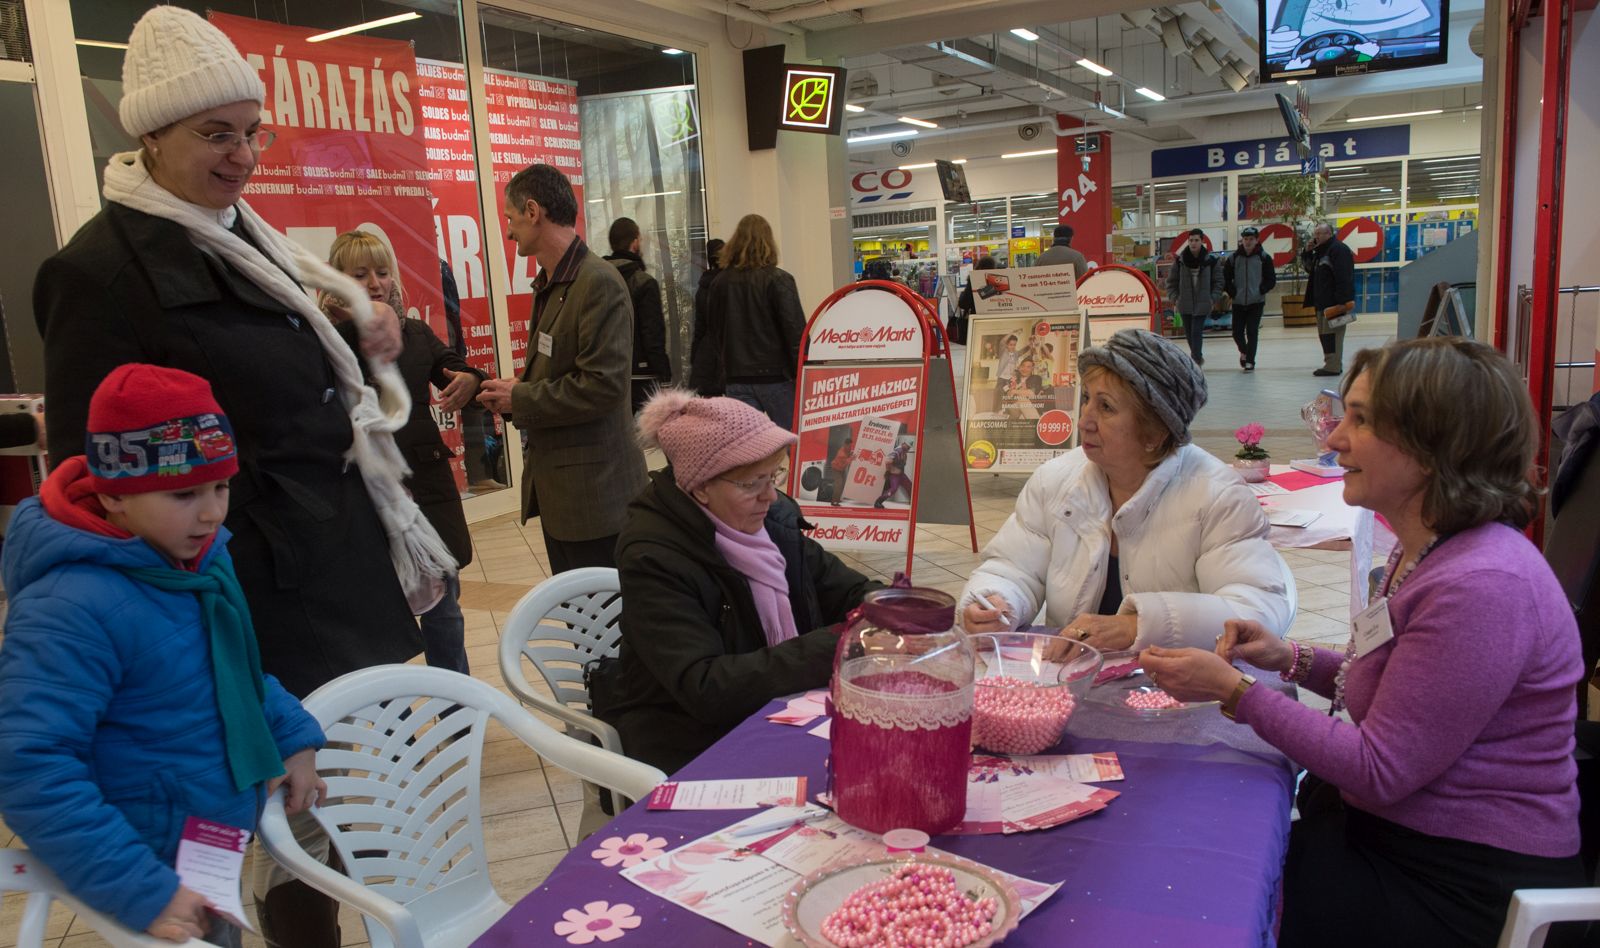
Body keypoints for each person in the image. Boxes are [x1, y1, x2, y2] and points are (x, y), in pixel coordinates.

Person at [30, 12, 449, 942]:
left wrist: (356, 336)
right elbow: (94, 474)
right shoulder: (99, 273)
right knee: (272, 822)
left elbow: (280, 381)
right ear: (150, 135)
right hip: (246, 589)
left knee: (338, 805)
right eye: (215, 134)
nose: (243, 154)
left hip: (332, 560)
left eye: (253, 131)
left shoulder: (247, 237)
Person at [1141, 337, 1586, 948]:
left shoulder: (1483, 585)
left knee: (1205, 895)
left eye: (1362, 419)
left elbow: (1379, 768)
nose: (1335, 438)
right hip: (1399, 840)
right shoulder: (1429, 548)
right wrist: (1289, 658)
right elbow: (1404, 688)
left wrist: (1237, 692)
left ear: (1432, 444)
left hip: (1461, 884)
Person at [0, 365, 326, 946]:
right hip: (146, 864)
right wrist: (142, 889)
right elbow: (29, 765)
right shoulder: (68, 606)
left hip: (208, 842)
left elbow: (230, 667)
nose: (212, 513)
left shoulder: (193, 559)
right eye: (183, 493)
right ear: (112, 493)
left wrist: (291, 735)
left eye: (220, 486)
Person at [597, 389, 880, 772]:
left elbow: (849, 590)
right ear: (700, 487)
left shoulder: (772, 527)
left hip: (776, 707)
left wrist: (893, 608)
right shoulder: (654, 556)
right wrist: (840, 643)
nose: (771, 496)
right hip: (688, 736)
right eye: (752, 484)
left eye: (773, 476)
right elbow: (706, 686)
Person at [960, 329, 1292, 650]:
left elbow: (1257, 609)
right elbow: (1014, 567)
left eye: (1106, 407)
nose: (1084, 421)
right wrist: (997, 600)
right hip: (1072, 676)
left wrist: (1138, 626)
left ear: (1155, 433)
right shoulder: (1055, 480)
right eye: (1087, 399)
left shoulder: (1219, 498)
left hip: (1179, 681)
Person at [322, 230, 482, 677]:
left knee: (445, 613)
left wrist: (469, 379)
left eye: (382, 271)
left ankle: (458, 708)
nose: (375, 283)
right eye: (360, 274)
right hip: (364, 496)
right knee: (378, 618)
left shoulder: (414, 332)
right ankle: (396, 717)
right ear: (337, 279)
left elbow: (456, 369)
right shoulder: (326, 341)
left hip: (425, 488)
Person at [478, 164, 648, 573]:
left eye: (510, 218)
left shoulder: (597, 282)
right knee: (578, 611)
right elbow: (564, 372)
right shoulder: (553, 283)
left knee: (605, 613)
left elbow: (602, 387)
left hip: (597, 502)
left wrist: (520, 397)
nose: (508, 231)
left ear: (533, 211)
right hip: (568, 501)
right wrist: (516, 388)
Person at [702, 214, 807, 430]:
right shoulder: (780, 280)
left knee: (748, 445)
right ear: (768, 243)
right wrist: (803, 374)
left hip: (736, 378)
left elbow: (713, 332)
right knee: (792, 440)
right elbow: (795, 332)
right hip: (777, 378)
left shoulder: (719, 283)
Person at [604, 217, 672, 413]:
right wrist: (664, 377)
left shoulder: (599, 281)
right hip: (642, 377)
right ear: (634, 243)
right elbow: (653, 335)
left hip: (608, 375)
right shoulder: (645, 283)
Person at [1304, 221, 1356, 377]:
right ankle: (1331, 364)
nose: (1316, 237)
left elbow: (1344, 276)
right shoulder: (1321, 252)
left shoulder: (1338, 250)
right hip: (1322, 303)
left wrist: (1342, 302)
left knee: (1333, 335)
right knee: (1325, 336)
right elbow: (1310, 270)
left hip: (1334, 303)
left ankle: (1333, 366)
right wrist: (1307, 253)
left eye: (1319, 233)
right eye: (1315, 234)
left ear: (1329, 233)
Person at [1224, 226, 1277, 372]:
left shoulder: (1264, 258)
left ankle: (1250, 361)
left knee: (1252, 331)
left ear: (1257, 240)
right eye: (1245, 239)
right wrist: (1232, 292)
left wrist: (1261, 290)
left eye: (1251, 239)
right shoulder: (1233, 258)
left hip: (1256, 302)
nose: (1248, 242)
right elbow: (1226, 278)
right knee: (1237, 332)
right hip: (1238, 302)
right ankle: (1245, 351)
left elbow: (1271, 279)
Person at [1167, 229, 1222, 366]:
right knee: (1189, 333)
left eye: (1196, 240)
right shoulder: (1180, 261)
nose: (1193, 243)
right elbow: (1171, 282)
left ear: (1202, 241)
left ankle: (1195, 361)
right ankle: (1197, 357)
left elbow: (1218, 282)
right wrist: (1175, 299)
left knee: (1196, 331)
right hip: (1184, 303)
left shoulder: (1211, 261)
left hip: (1203, 302)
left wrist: (1212, 298)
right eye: (1191, 240)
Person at [689, 238, 725, 395]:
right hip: (728, 352)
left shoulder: (702, 288)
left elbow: (700, 327)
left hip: (707, 354)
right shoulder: (731, 285)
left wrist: (695, 358)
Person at [952, 255, 996, 346]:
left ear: (979, 266)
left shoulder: (974, 280)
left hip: (977, 320)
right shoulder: (998, 280)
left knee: (976, 345)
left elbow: (963, 303)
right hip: (994, 320)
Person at [828, 434, 853, 506]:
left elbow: (847, 455)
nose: (850, 447)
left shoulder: (845, 449)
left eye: (851, 446)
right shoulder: (841, 454)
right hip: (836, 469)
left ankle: (837, 499)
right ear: (845, 445)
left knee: (841, 484)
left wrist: (850, 454)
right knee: (838, 484)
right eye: (849, 446)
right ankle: (834, 501)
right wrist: (851, 458)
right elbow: (844, 462)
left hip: (841, 469)